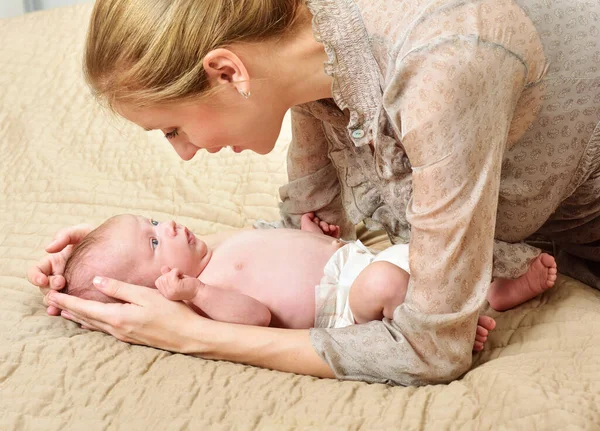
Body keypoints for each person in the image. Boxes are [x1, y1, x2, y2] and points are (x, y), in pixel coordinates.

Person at [28, 0, 599, 386]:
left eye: (173, 128)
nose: (183, 152)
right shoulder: (306, 54)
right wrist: (110, 259)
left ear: (227, 73)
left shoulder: (444, 68)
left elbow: (432, 349)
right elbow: (305, 227)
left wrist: (195, 335)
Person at [59, 212, 557, 351]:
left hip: (354, 258)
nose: (165, 227)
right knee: (387, 283)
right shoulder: (200, 299)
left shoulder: (218, 245)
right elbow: (256, 317)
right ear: (158, 287)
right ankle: (447, 323)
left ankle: (491, 291)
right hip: (345, 303)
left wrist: (306, 235)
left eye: (151, 221)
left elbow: (275, 253)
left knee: (428, 253)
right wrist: (197, 294)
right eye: (152, 244)